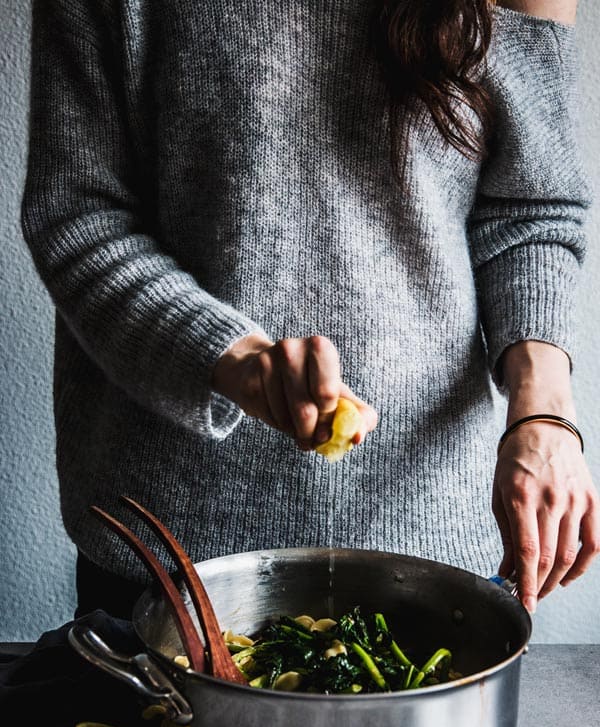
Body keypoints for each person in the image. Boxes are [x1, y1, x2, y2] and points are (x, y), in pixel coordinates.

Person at [21, 0, 599, 621]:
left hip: (431, 539)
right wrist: (232, 357)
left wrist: (543, 415)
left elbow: (527, 210)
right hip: (172, 545)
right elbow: (80, 216)